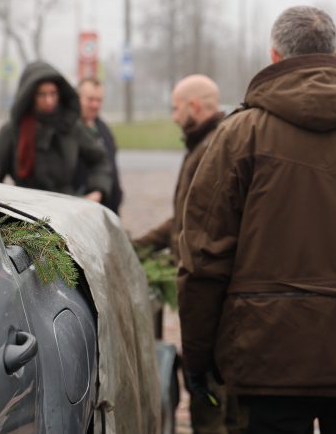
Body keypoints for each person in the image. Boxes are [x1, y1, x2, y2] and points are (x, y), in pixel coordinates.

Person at [178, 6, 336, 434]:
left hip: (268, 358)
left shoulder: (237, 136)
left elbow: (203, 259)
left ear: (275, 58)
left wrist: (197, 356)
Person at [133, 74, 235, 433]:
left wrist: (143, 246)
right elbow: (185, 219)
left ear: (194, 107)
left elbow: (198, 226)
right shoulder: (203, 144)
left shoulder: (209, 149)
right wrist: (140, 245)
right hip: (208, 286)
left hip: (212, 292)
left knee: (209, 392)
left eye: (176, 108)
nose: (174, 116)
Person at [0, 61, 112, 203]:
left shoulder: (70, 126)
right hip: (26, 211)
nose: (49, 100)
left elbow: (100, 160)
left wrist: (97, 190)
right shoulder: (12, 130)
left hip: (65, 209)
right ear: (30, 96)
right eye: (42, 95)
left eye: (53, 94)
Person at [75, 78, 123, 213]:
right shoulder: (68, 131)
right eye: (90, 99)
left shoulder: (104, 129)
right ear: (77, 98)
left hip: (108, 209)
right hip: (82, 209)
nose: (95, 105)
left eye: (99, 100)